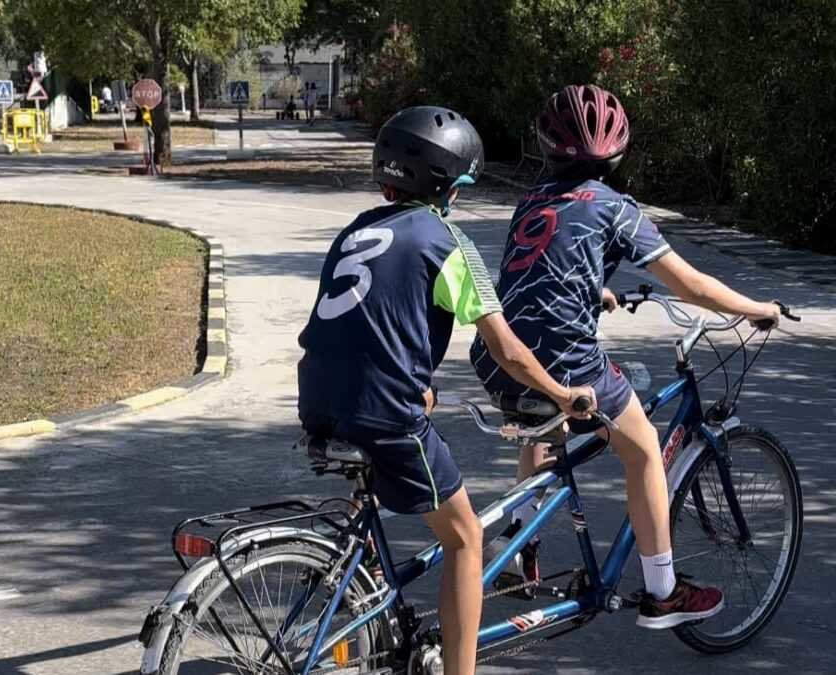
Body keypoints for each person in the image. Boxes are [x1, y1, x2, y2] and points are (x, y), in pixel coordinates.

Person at [471, 84, 782, 629]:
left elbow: (542, 269)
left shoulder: (533, 199)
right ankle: (663, 590)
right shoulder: (616, 208)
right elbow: (690, 285)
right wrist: (756, 307)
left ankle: (523, 557)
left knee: (546, 434)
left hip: (500, 355)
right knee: (641, 451)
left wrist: (596, 290)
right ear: (616, 155)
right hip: (565, 358)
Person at [297, 106, 595, 675]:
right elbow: (508, 351)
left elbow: (365, 323)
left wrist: (419, 387)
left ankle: (373, 610)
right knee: (464, 538)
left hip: (317, 394)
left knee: (387, 492)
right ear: (447, 184)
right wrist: (562, 394)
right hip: (384, 410)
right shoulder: (448, 241)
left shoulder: (356, 229)